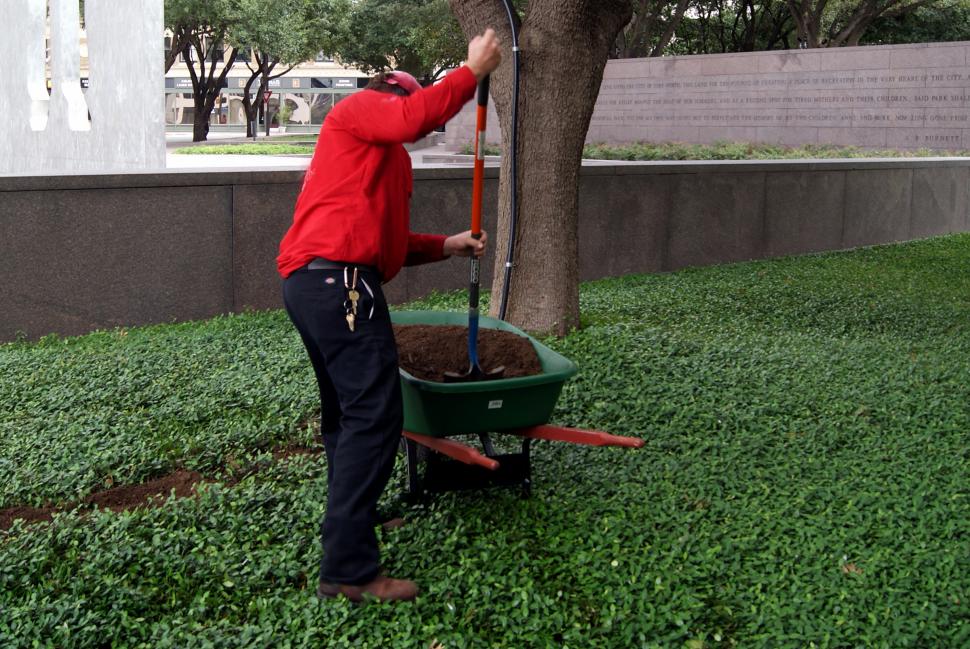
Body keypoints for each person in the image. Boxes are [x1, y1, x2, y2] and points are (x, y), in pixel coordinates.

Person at [276, 29, 503, 603]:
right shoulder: (360, 112)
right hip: (339, 284)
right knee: (376, 416)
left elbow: (385, 242)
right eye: (410, 104)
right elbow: (411, 117)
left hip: (323, 282)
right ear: (389, 97)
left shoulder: (383, 158)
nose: (415, 118)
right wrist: (470, 72)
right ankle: (349, 571)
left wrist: (445, 245)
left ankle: (353, 524)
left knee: (346, 416)